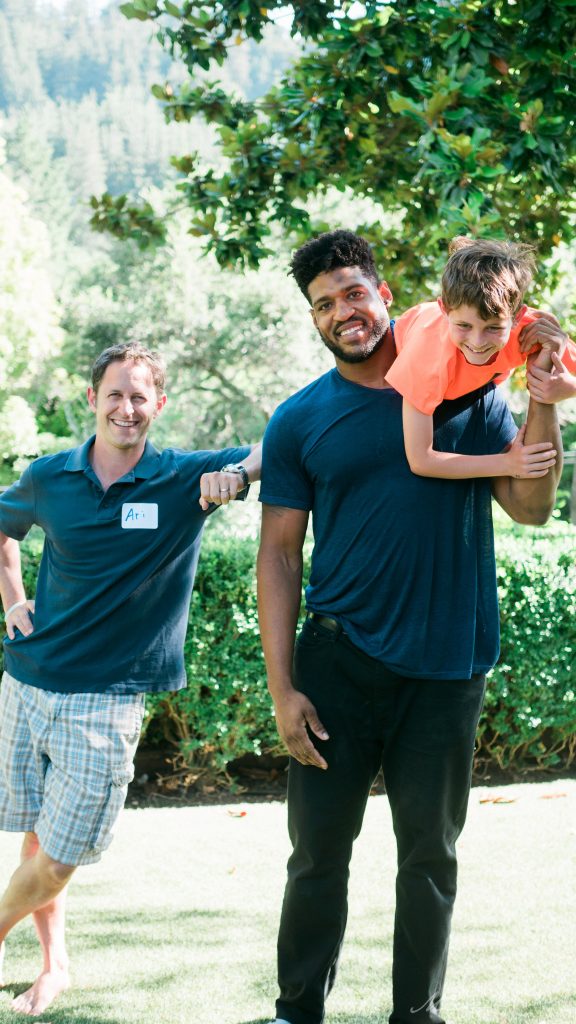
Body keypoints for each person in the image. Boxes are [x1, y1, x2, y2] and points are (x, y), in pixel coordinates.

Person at [256, 230, 562, 1024]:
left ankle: (417, 1015)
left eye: (354, 292)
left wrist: (539, 395)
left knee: (430, 859)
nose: (343, 312)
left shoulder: (467, 386)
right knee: (318, 856)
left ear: (385, 293)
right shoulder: (298, 420)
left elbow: (531, 507)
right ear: (315, 319)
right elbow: (280, 557)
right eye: (324, 304)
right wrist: (283, 686)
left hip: (446, 667)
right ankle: (297, 1012)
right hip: (337, 666)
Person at [0, 341, 261, 1016]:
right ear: (92, 399)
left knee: (60, 857)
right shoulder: (49, 477)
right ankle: (54, 965)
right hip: (27, 681)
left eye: (140, 396)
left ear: (160, 405)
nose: (126, 408)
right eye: (114, 394)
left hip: (108, 699)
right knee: (37, 835)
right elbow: (4, 532)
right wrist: (12, 598)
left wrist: (236, 477)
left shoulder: (182, 478)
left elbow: (276, 448)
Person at [385, 237, 576, 480]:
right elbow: (421, 460)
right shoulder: (425, 358)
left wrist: (569, 388)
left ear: (517, 316)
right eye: (464, 325)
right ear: (444, 310)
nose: (477, 342)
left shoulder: (531, 330)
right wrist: (507, 463)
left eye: (494, 328)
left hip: (472, 379)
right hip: (413, 342)